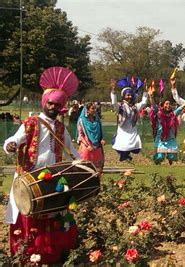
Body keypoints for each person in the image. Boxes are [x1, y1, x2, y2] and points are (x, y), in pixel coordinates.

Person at [3, 67, 80, 264]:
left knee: (52, 214)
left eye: (57, 104)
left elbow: (72, 152)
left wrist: (82, 166)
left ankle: (50, 253)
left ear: (62, 106)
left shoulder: (61, 128)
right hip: (28, 179)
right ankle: (27, 254)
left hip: (52, 180)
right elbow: (14, 140)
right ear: (45, 103)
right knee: (28, 213)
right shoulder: (30, 123)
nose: (53, 107)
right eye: (51, 103)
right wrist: (10, 145)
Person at [110, 77, 153, 161]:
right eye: (127, 95)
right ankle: (124, 155)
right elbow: (113, 102)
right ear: (123, 96)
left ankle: (126, 155)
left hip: (132, 129)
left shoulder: (135, 106)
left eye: (130, 95)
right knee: (122, 146)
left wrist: (145, 90)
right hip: (123, 130)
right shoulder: (120, 106)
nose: (129, 96)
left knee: (136, 148)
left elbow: (144, 103)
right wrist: (113, 90)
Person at [148, 98, 185, 165]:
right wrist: (151, 96)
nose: (168, 105)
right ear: (162, 105)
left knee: (173, 157)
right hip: (161, 139)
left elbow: (181, 108)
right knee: (160, 157)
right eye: (166, 104)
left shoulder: (173, 114)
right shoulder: (159, 114)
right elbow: (153, 106)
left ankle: (169, 157)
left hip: (170, 139)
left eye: (169, 104)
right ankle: (156, 161)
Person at [76, 102, 105, 173]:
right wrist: (87, 145)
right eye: (92, 108)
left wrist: (101, 139)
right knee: (84, 167)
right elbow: (81, 135)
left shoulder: (97, 119)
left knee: (98, 168)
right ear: (87, 110)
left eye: (95, 108)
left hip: (97, 145)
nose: (94, 110)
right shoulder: (82, 120)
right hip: (86, 145)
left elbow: (100, 131)